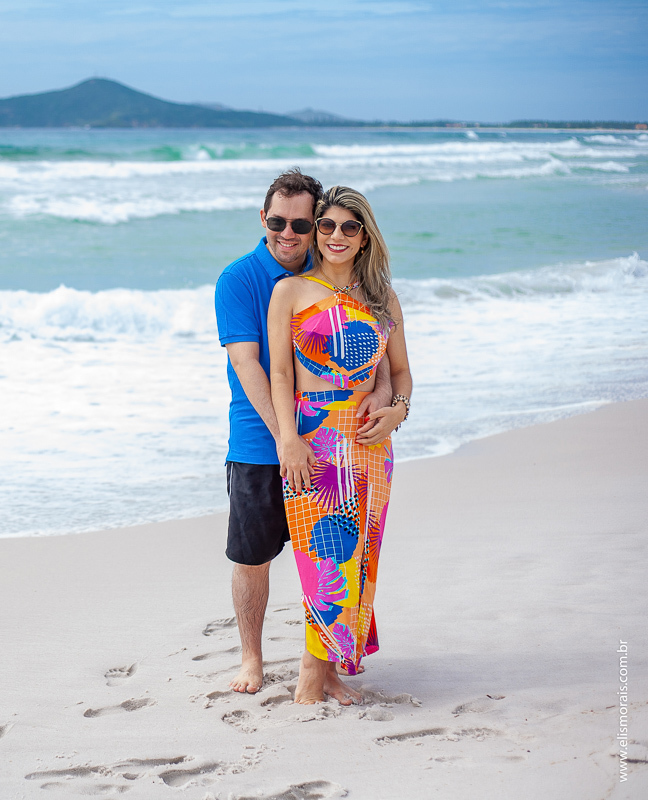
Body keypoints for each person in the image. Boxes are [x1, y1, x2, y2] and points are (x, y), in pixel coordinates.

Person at [215, 170, 392, 694]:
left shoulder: (336, 275)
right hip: (259, 440)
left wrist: (388, 401)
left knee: (332, 556)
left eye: (300, 223)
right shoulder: (241, 278)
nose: (287, 233)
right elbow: (250, 365)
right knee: (253, 556)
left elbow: (378, 359)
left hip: (332, 446)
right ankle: (252, 660)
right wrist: (286, 438)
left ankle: (323, 667)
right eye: (276, 221)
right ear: (262, 219)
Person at [266, 185, 412, 704]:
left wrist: (396, 411)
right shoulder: (290, 291)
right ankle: (311, 669)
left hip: (371, 439)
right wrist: (289, 438)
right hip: (315, 435)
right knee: (322, 554)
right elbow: (280, 375)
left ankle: (329, 669)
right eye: (326, 226)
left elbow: (399, 374)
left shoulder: (383, 297)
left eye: (350, 227)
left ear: (365, 236)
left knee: (360, 555)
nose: (335, 236)